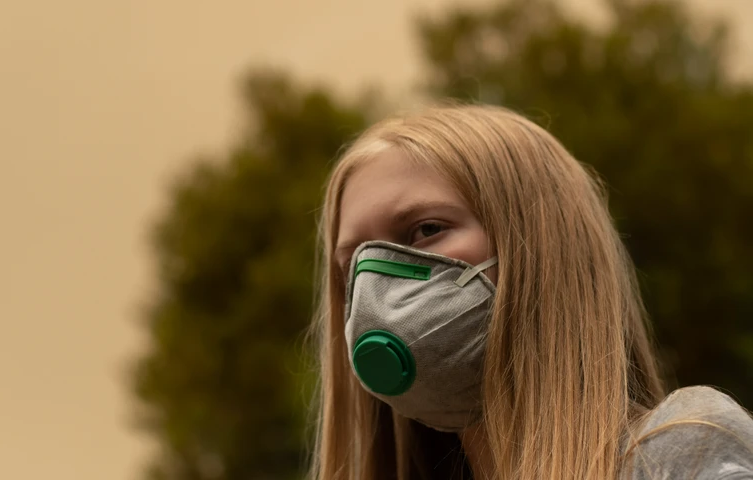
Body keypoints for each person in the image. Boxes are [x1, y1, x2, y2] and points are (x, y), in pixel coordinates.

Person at [309, 104, 753, 479]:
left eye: (426, 229)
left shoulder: (681, 454)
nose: (378, 288)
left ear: (542, 245)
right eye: (354, 265)